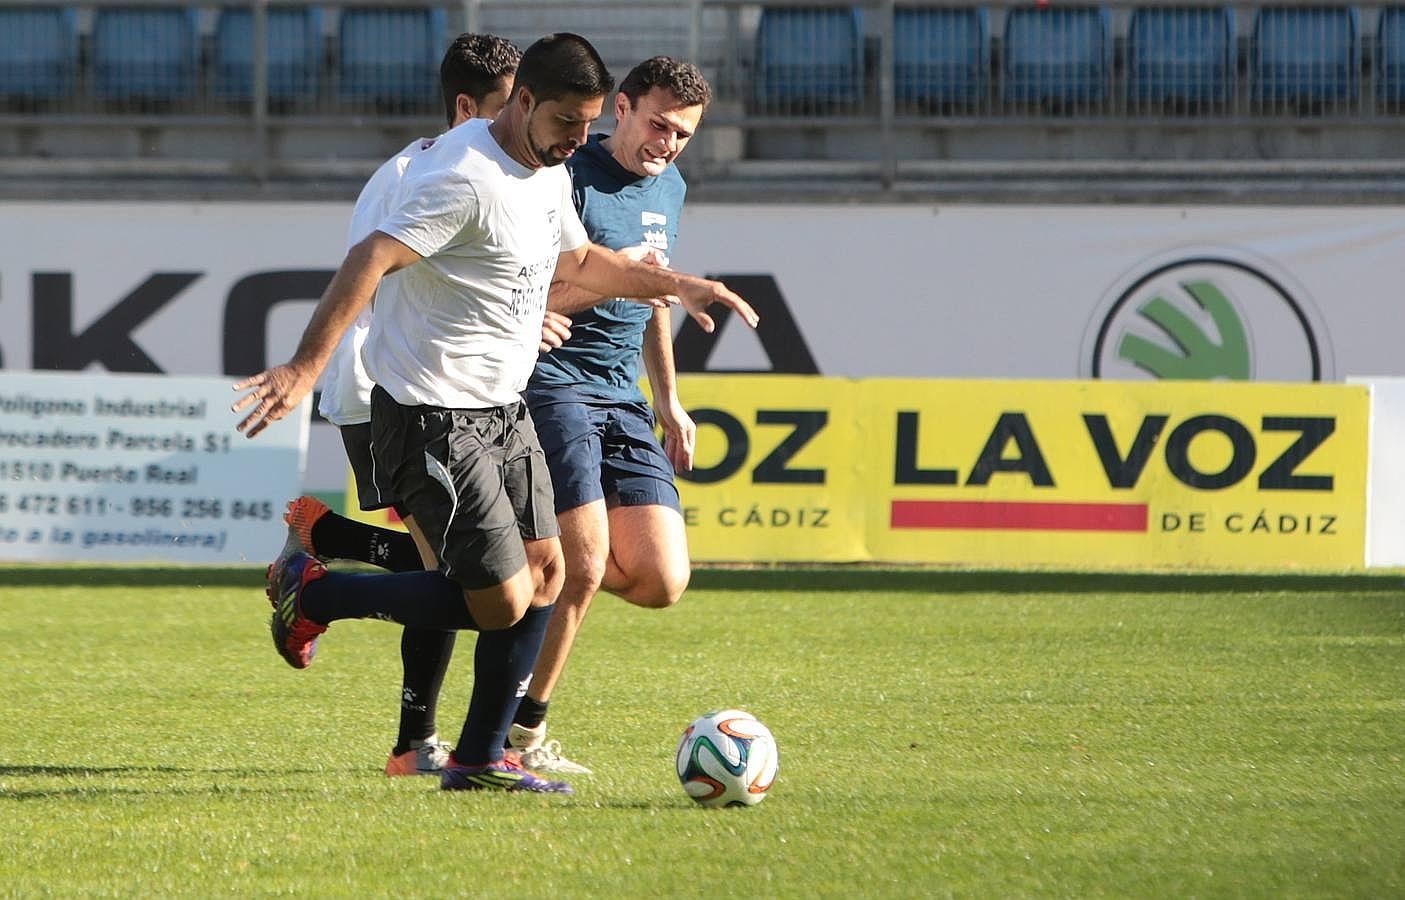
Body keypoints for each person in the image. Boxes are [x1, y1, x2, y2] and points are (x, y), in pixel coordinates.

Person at [232, 33, 758, 795]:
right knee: (500, 596)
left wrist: (678, 285)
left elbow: (578, 264)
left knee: (545, 575)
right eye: (567, 125)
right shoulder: (462, 177)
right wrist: (304, 367)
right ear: (522, 103)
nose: (579, 141)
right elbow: (370, 259)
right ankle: (313, 592)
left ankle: (479, 758)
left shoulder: (545, 173)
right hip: (430, 414)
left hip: (502, 408)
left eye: (585, 127)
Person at [296, 32, 523, 780]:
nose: (516, 125)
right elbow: (380, 277)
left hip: (413, 388)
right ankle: (321, 590)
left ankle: (326, 542)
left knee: (453, 567)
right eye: (505, 108)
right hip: (391, 389)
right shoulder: (435, 175)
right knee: (458, 577)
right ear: (467, 106)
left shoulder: (462, 164)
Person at [504, 57, 715, 775]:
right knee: (586, 565)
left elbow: (653, 296)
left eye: (682, 134)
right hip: (551, 381)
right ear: (620, 109)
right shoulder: (563, 175)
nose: (667, 144)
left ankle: (511, 573)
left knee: (660, 580)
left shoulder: (672, 187)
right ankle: (520, 731)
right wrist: (602, 277)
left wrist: (669, 400)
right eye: (657, 124)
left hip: (620, 393)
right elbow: (524, 287)